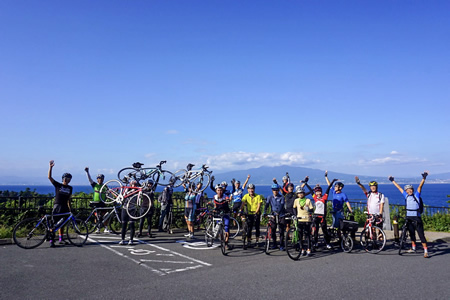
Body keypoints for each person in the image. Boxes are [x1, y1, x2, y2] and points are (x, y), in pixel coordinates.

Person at [389, 171, 429, 258]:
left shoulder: (417, 195)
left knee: (421, 234)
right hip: (409, 217)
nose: (408, 191)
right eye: (407, 190)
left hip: (416, 217)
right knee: (411, 233)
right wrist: (392, 181)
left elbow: (420, 186)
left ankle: (425, 251)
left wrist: (424, 178)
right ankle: (413, 248)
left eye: (410, 189)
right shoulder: (406, 196)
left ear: (412, 190)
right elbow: (399, 188)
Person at [304, 179, 335, 250]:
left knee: (325, 231)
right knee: (316, 230)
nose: (318, 193)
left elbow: (328, 189)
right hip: (316, 215)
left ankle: (327, 243)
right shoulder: (315, 198)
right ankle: (315, 242)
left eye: (319, 191)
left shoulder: (324, 197)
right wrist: (305, 183)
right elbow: (311, 191)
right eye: (317, 192)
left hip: (322, 216)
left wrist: (332, 181)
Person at [48, 160, 73, 247]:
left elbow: (69, 199)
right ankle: (51, 240)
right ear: (63, 179)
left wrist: (70, 208)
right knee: (54, 223)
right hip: (57, 205)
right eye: (66, 178)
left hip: (65, 207)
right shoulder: (58, 185)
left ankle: (61, 238)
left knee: (62, 223)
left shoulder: (70, 188)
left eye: (69, 179)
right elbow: (49, 177)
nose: (67, 180)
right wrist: (50, 167)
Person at [325, 171, 353, 237]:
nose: (335, 187)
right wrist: (326, 177)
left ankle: (342, 238)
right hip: (334, 211)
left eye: (336, 186)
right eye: (335, 186)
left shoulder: (343, 195)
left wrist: (350, 209)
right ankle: (338, 237)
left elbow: (347, 202)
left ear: (340, 187)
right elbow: (329, 185)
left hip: (340, 212)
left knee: (341, 226)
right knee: (335, 226)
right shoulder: (334, 192)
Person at [84, 167, 109, 233]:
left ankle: (106, 228)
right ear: (97, 179)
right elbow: (90, 179)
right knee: (96, 216)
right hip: (95, 203)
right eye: (99, 178)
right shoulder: (94, 185)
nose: (100, 180)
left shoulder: (105, 186)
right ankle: (97, 228)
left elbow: (109, 194)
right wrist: (87, 172)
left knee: (105, 215)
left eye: (101, 178)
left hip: (102, 202)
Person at [264, 183, 286, 250]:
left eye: (276, 190)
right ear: (272, 190)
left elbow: (282, 206)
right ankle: (274, 244)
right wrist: (264, 212)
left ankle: (281, 244)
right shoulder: (270, 197)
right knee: (273, 230)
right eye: (274, 190)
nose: (275, 191)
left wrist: (278, 213)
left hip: (281, 215)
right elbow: (266, 205)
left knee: (281, 231)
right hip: (273, 215)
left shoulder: (281, 197)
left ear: (278, 190)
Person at [293, 186, 314, 256]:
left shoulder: (308, 200)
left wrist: (307, 208)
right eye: (299, 193)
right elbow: (294, 208)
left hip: (307, 219)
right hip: (300, 219)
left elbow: (312, 209)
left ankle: (308, 249)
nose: (300, 194)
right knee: (300, 235)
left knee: (307, 234)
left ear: (304, 193)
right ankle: (302, 249)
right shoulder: (296, 200)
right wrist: (295, 215)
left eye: (301, 193)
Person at [213, 184, 233, 250]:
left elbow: (228, 199)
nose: (219, 192)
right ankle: (222, 241)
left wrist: (227, 200)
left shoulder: (225, 196)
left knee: (226, 227)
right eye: (218, 190)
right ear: (216, 191)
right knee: (219, 228)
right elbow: (215, 205)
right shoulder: (215, 197)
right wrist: (214, 209)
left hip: (226, 213)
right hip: (219, 214)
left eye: (221, 190)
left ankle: (226, 243)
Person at [119, 180, 137, 245]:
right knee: (124, 225)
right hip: (125, 208)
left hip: (132, 209)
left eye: (135, 184)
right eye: (133, 184)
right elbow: (123, 196)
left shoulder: (137, 191)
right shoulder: (128, 189)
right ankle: (122, 239)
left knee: (132, 225)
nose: (134, 186)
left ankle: (131, 239)